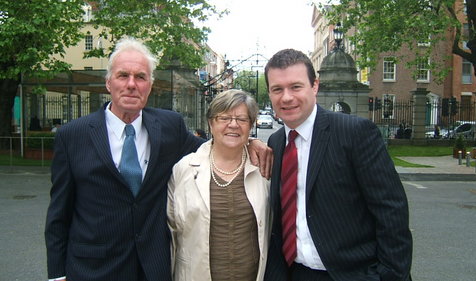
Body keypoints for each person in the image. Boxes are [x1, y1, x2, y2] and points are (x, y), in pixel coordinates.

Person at [44, 37, 272, 281]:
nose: (132, 84)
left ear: (149, 85)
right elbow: (59, 213)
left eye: (140, 77)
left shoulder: (168, 126)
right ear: (109, 82)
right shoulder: (73, 136)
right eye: (123, 75)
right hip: (93, 269)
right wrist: (57, 275)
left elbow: (213, 147)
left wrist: (248, 142)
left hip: (153, 268)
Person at [263, 49, 412, 281]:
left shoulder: (354, 133)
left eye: (296, 86)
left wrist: (389, 276)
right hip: (295, 272)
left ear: (315, 86)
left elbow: (391, 211)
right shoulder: (276, 142)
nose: (286, 97)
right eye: (277, 89)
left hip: (350, 274)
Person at [167, 89, 270, 281]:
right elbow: (172, 233)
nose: (233, 125)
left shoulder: (263, 169)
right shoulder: (184, 169)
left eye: (242, 119)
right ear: (211, 123)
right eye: (224, 118)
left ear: (250, 125)